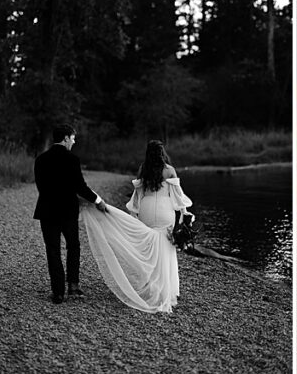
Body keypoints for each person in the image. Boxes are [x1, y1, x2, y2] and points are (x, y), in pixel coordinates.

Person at [80, 140, 193, 313]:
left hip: (146, 209)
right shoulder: (169, 170)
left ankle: (150, 287)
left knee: (150, 247)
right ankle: (167, 289)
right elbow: (178, 196)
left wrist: (134, 216)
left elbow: (137, 196)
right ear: (162, 153)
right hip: (164, 209)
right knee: (166, 246)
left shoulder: (143, 169)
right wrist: (185, 215)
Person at [33, 124, 108, 304]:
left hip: (47, 210)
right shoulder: (72, 159)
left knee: (53, 250)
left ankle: (58, 292)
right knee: (73, 246)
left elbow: (41, 187)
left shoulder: (40, 159)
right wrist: (98, 201)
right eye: (73, 138)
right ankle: (73, 287)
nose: (74, 142)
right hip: (67, 210)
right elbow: (80, 187)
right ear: (65, 138)